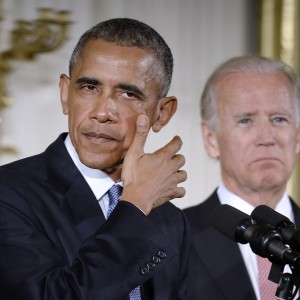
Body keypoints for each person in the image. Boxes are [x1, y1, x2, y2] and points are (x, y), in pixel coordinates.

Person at [0, 18, 188, 300]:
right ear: (65, 95)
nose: (102, 112)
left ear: (162, 113)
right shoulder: (8, 195)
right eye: (89, 87)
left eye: (127, 94)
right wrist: (134, 206)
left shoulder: (169, 219)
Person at [183, 55, 300, 299]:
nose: (267, 137)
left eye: (279, 119)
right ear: (211, 139)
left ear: (297, 136)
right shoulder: (174, 239)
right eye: (246, 120)